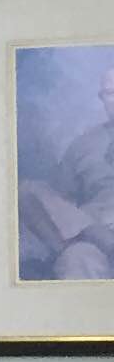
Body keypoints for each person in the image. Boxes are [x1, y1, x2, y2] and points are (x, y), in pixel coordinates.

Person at [20, 53, 114, 279]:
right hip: (95, 233)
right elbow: (62, 200)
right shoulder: (84, 144)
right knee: (28, 190)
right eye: (109, 93)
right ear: (102, 99)